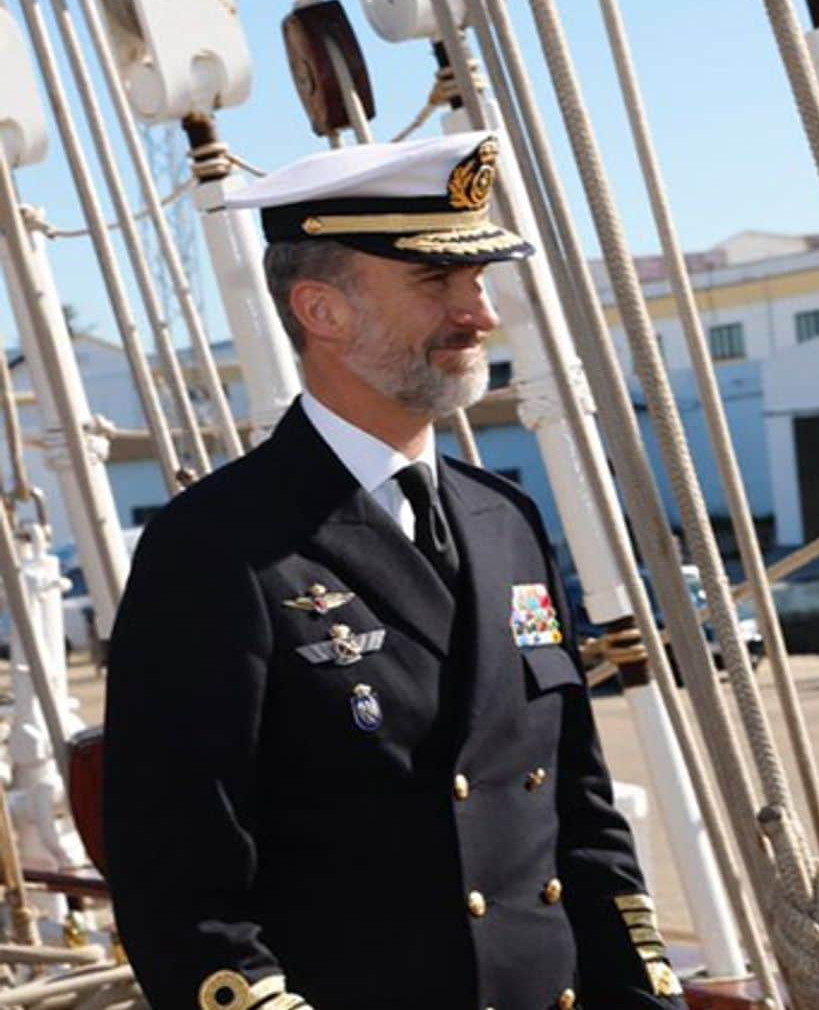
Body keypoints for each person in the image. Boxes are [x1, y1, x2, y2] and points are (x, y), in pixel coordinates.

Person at [103, 133, 687, 1010]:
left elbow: (577, 811)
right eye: (436, 282)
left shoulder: (506, 520)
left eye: (478, 281)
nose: (479, 314)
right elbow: (180, 884)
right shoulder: (217, 547)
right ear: (321, 310)